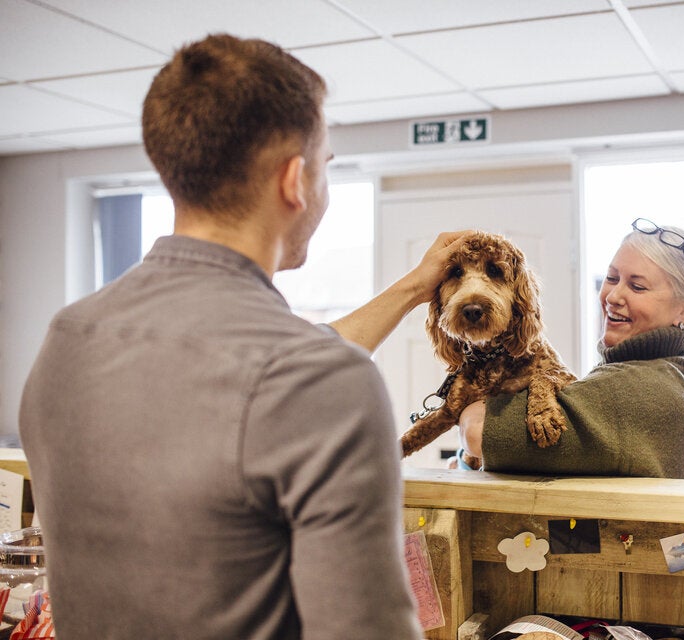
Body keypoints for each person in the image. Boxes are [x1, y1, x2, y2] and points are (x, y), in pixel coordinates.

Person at [19, 34, 466, 639]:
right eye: (326, 165)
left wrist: (414, 288)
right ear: (295, 180)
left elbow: (269, 371)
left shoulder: (68, 339)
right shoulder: (319, 380)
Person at [457, 217, 684, 477]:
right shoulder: (669, 374)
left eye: (637, 286)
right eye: (611, 278)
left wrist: (467, 407)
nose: (613, 296)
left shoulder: (640, 388)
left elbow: (476, 432)